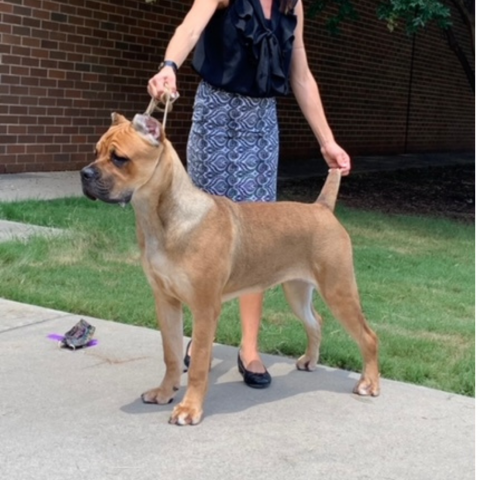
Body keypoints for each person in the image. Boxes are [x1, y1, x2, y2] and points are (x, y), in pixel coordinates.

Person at [147, 0, 351, 389]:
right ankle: (201, 337)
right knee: (202, 241)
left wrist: (327, 141)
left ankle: (250, 348)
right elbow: (190, 29)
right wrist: (168, 67)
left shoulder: (294, 5)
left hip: (260, 127)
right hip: (215, 118)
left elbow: (301, 75)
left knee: (254, 240)